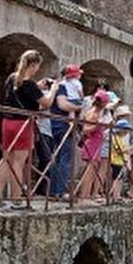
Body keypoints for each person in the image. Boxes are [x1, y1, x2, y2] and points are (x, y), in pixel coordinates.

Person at [0, 49, 45, 209]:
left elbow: (19, 91)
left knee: (6, 159)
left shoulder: (12, 78)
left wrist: (37, 86)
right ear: (34, 64)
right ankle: (16, 198)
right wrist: (54, 89)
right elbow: (47, 103)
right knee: (19, 161)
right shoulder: (29, 83)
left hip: (7, 122)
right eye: (38, 65)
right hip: (23, 123)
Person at [42, 64, 84, 198]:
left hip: (56, 124)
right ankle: (59, 191)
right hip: (63, 125)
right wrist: (79, 107)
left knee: (58, 158)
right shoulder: (63, 87)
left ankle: (54, 190)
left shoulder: (60, 86)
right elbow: (63, 105)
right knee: (65, 158)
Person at [75, 90, 112, 202]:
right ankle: (83, 197)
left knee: (92, 170)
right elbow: (86, 130)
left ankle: (87, 195)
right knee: (89, 171)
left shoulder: (97, 112)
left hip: (97, 142)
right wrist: (98, 125)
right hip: (92, 143)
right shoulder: (93, 113)